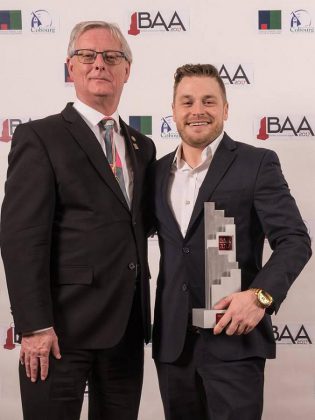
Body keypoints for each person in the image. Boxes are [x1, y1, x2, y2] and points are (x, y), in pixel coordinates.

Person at [0, 20, 156, 420]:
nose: (99, 64)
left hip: (125, 328)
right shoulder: (40, 137)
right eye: (87, 56)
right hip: (58, 332)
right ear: (71, 67)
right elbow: (21, 237)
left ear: (127, 70)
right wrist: (34, 326)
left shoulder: (143, 146)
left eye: (111, 56)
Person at [150, 64, 311, 420]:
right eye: (187, 101)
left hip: (235, 340)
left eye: (209, 100)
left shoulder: (256, 163)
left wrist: (260, 297)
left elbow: (295, 240)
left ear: (225, 109)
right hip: (174, 347)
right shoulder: (156, 172)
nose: (197, 110)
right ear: (173, 111)